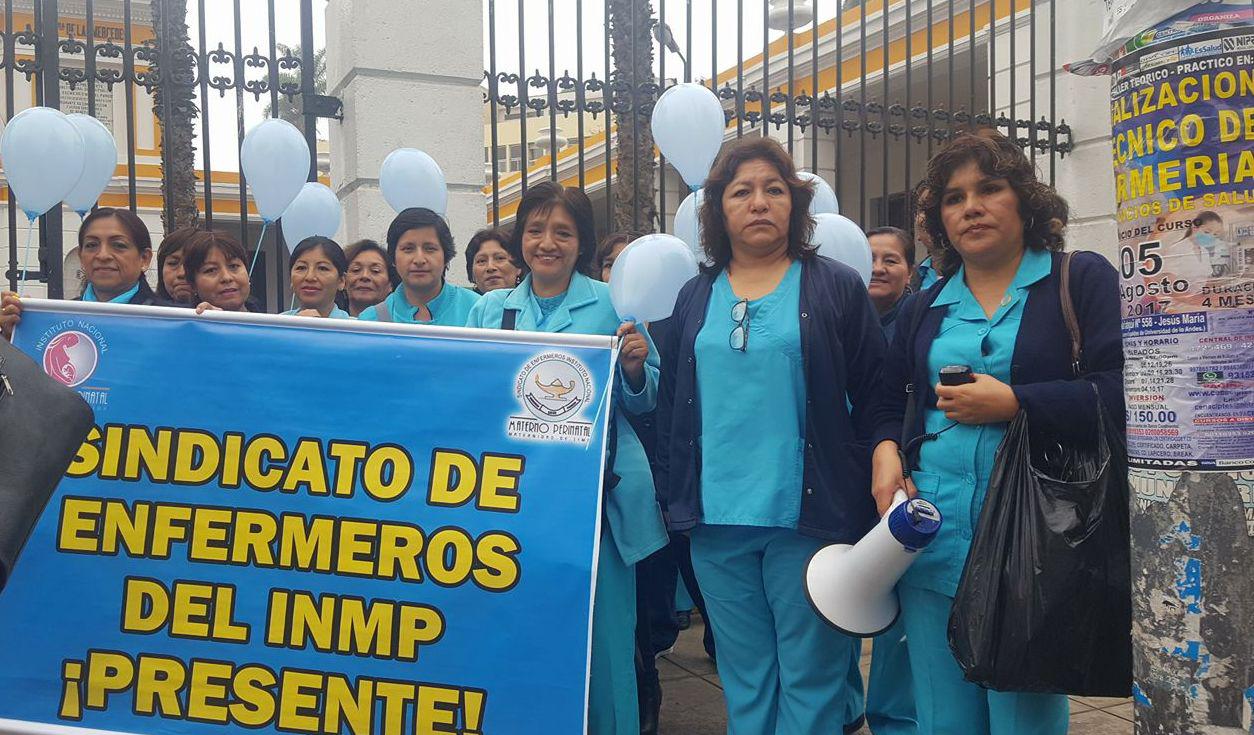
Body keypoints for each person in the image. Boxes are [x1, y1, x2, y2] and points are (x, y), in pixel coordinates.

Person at [870, 131, 1123, 735]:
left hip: (1035, 547)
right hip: (933, 541)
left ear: (1025, 200)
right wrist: (884, 454)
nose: (971, 207)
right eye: (954, 199)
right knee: (941, 718)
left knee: (1023, 720)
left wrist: (1017, 402)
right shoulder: (923, 305)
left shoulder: (1078, 279)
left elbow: (1125, 392)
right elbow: (885, 399)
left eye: (990, 188)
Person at [657, 136, 885, 735]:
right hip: (714, 522)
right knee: (745, 673)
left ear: (795, 205)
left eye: (774, 189)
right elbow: (668, 406)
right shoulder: (695, 295)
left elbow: (879, 395)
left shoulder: (834, 286)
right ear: (718, 210)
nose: (759, 202)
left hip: (806, 519)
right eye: (742, 191)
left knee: (812, 675)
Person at [466, 181, 667, 734]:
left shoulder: (613, 303)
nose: (546, 242)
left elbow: (647, 395)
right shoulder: (489, 309)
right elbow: (465, 393)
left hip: (597, 504)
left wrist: (632, 366)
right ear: (519, 238)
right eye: (535, 230)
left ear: (582, 243)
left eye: (562, 232)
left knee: (605, 648)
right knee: (521, 636)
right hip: (511, 504)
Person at [1, 208, 159, 340]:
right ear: (81, 257)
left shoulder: (169, 322)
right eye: (91, 245)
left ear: (144, 259)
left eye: (118, 245)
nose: (102, 255)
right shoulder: (54, 322)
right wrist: (13, 337)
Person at [357, 208, 479, 325]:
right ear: (393, 257)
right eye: (408, 249)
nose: (419, 260)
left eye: (430, 249)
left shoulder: (478, 308)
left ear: (446, 256)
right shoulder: (371, 320)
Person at [183, 231, 254, 313]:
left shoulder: (269, 323)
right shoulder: (177, 323)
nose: (226, 277)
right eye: (211, 270)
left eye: (233, 266)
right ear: (193, 284)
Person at [867, 226, 915, 342]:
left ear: (910, 273)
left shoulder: (920, 321)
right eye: (869, 259)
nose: (877, 269)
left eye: (890, 261)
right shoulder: (842, 317)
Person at [282, 237, 351, 319]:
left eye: (322, 268)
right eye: (301, 268)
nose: (310, 277)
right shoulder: (273, 326)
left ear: (341, 281)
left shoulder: (358, 329)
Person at [342, 239, 396, 317]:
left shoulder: (403, 325)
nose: (365, 276)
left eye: (375, 271)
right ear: (343, 281)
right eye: (356, 269)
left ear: (390, 284)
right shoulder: (328, 322)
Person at [465, 227, 522, 293]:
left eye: (500, 258)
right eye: (481, 261)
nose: (490, 267)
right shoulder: (464, 302)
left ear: (518, 266)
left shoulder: (534, 301)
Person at [155, 226, 200, 306]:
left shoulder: (225, 314)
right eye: (173, 263)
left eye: (192, 264)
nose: (182, 273)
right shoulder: (139, 313)